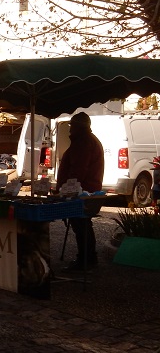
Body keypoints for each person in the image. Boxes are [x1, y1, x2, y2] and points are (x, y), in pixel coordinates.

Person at [56, 112, 104, 271]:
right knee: (83, 225)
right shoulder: (87, 140)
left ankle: (85, 260)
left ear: (78, 127)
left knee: (81, 225)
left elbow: (78, 170)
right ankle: (89, 258)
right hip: (86, 190)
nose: (70, 129)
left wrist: (67, 190)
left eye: (72, 125)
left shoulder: (83, 142)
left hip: (82, 192)